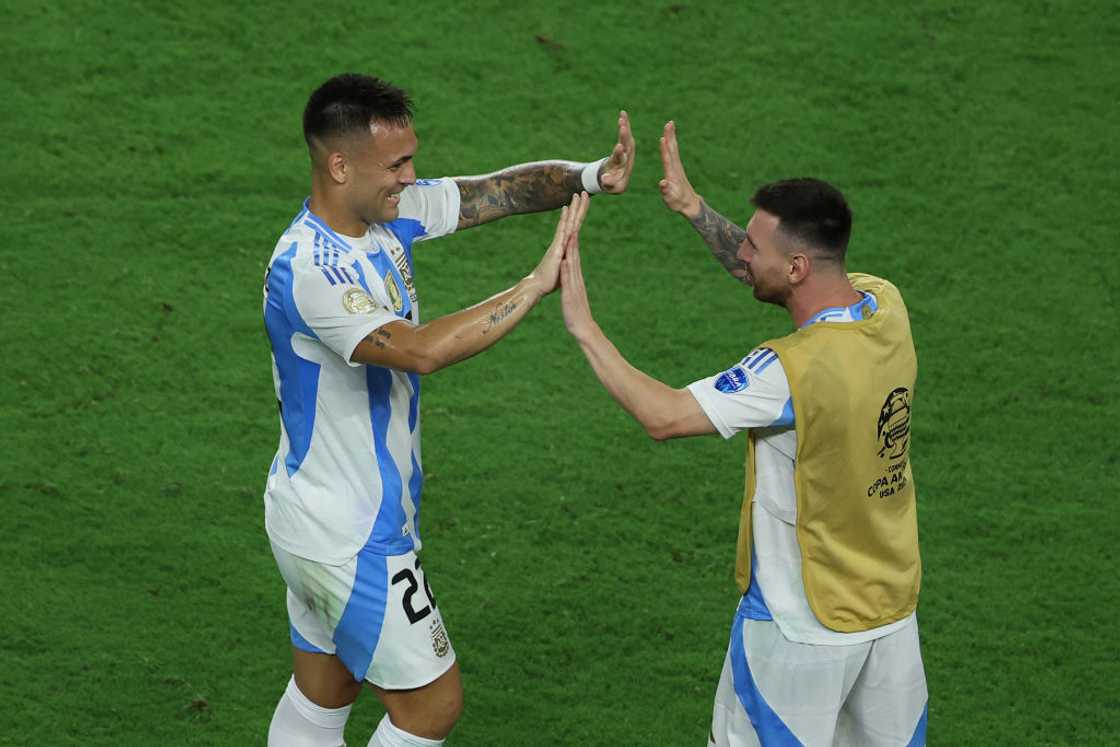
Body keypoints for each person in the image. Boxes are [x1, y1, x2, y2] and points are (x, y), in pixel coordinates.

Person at [261, 72, 625, 747]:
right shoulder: (310, 272)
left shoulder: (387, 213)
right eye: (396, 163)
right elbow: (421, 350)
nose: (411, 175)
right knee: (432, 706)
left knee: (325, 688)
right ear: (339, 165)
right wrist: (535, 283)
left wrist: (592, 175)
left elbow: (500, 191)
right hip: (351, 535)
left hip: (308, 513)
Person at [556, 121, 928, 746]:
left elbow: (665, 415)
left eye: (756, 247)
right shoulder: (883, 305)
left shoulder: (788, 370)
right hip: (890, 619)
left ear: (800, 264)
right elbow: (782, 279)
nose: (744, 256)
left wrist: (583, 326)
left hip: (800, 627)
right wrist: (693, 209)